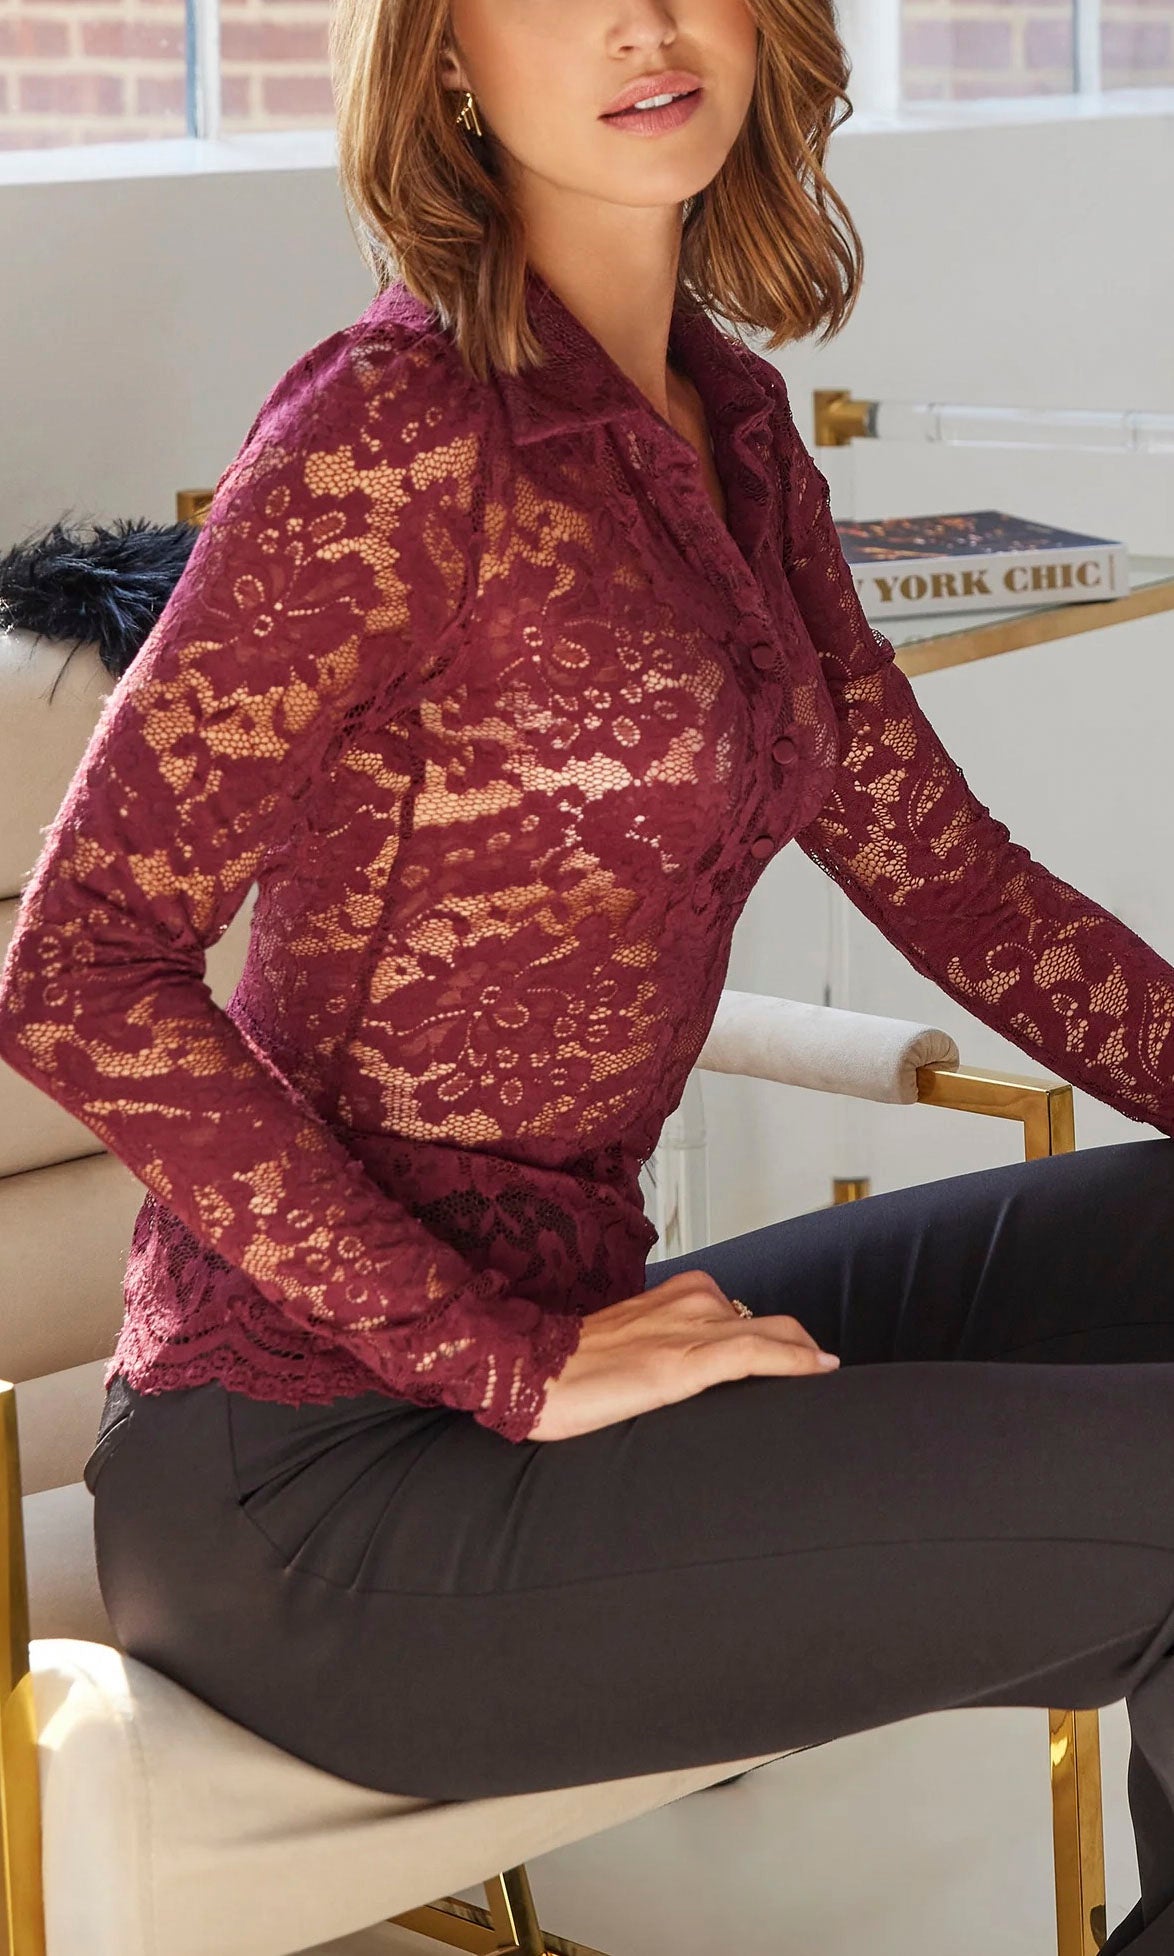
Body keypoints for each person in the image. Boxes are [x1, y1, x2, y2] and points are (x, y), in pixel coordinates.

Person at [2, 1, 1174, 1947]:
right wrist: (508, 1361)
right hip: (320, 1498)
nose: (641, 21)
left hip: (569, 1352)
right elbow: (77, 972)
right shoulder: (385, 435)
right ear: (444, 58)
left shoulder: (731, 430)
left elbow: (962, 890)